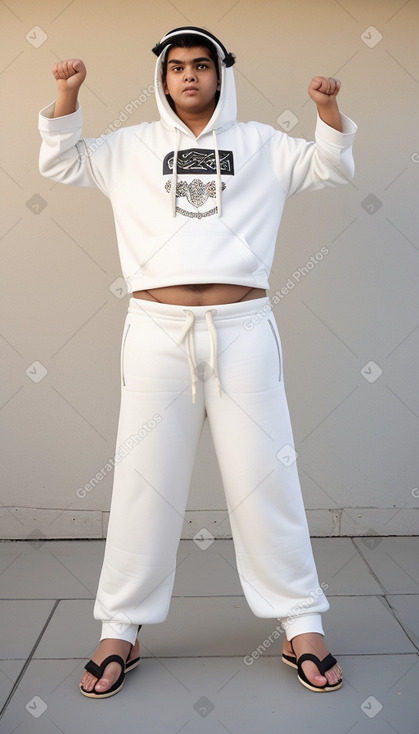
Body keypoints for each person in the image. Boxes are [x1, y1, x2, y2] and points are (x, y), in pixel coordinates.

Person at [39, 25, 356, 698]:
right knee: (143, 480)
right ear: (162, 80)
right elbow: (63, 162)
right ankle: (119, 626)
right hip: (156, 332)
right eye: (176, 67)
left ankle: (301, 623)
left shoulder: (261, 145)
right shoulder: (129, 147)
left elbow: (329, 166)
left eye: (201, 66)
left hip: (243, 330)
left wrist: (327, 111)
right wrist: (67, 93)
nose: (188, 76)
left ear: (221, 75)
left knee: (266, 476)